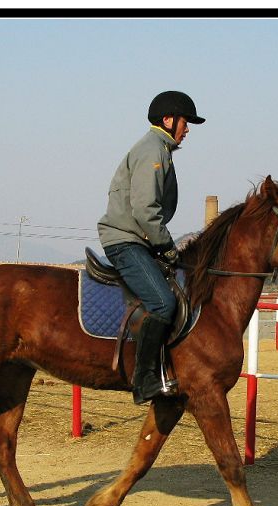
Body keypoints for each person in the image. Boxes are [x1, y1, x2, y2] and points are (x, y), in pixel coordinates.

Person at [97, 91, 205, 405]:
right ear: (169, 120)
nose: (188, 129)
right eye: (186, 122)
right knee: (162, 303)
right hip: (127, 241)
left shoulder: (160, 149)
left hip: (138, 239)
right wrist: (167, 247)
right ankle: (143, 380)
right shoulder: (153, 150)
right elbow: (145, 209)